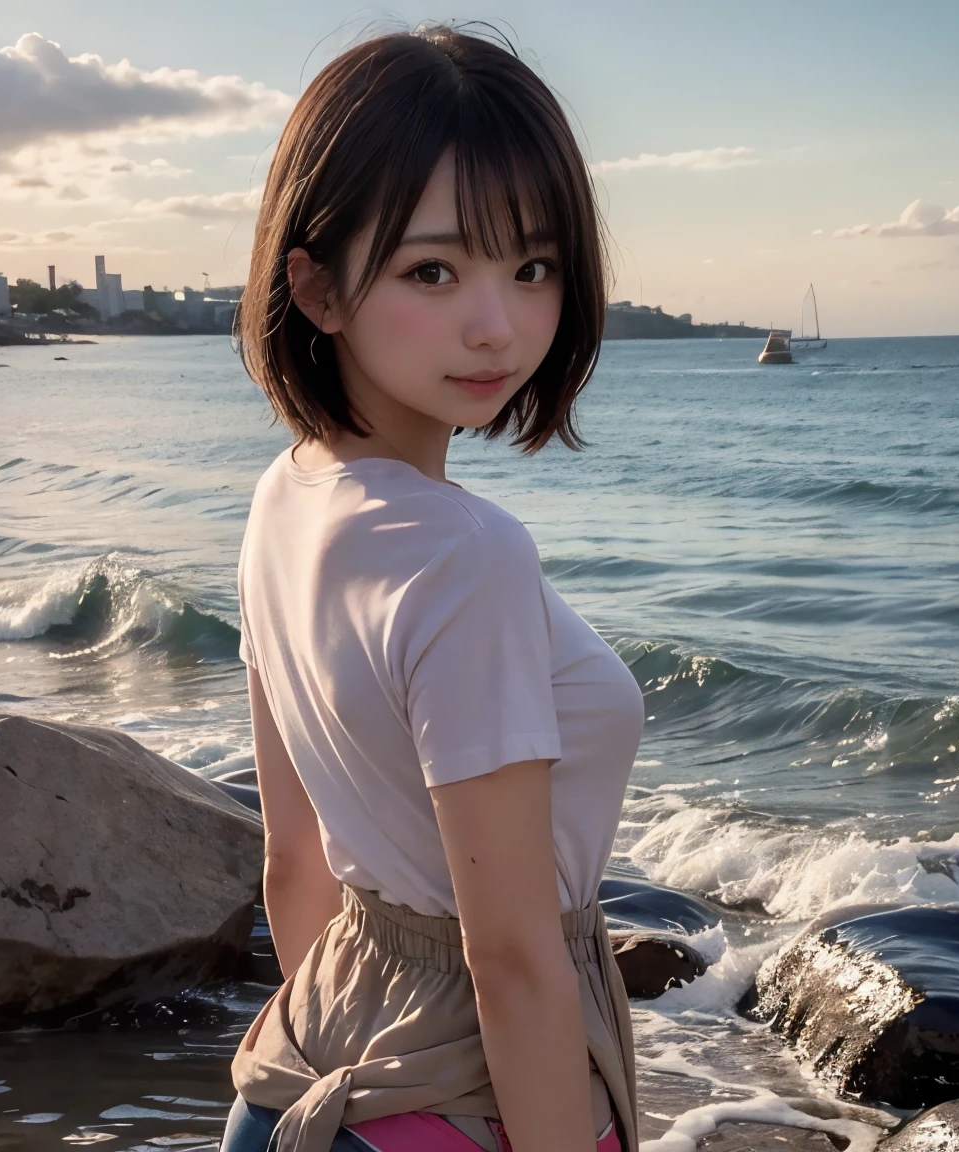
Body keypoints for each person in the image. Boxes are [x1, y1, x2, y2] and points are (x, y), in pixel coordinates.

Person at [225, 24, 643, 1152]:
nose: (497, 324)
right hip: (455, 1107)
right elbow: (510, 962)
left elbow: (296, 865)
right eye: (433, 270)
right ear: (312, 287)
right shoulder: (467, 553)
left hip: (293, 1085)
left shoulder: (281, 496)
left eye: (532, 267)